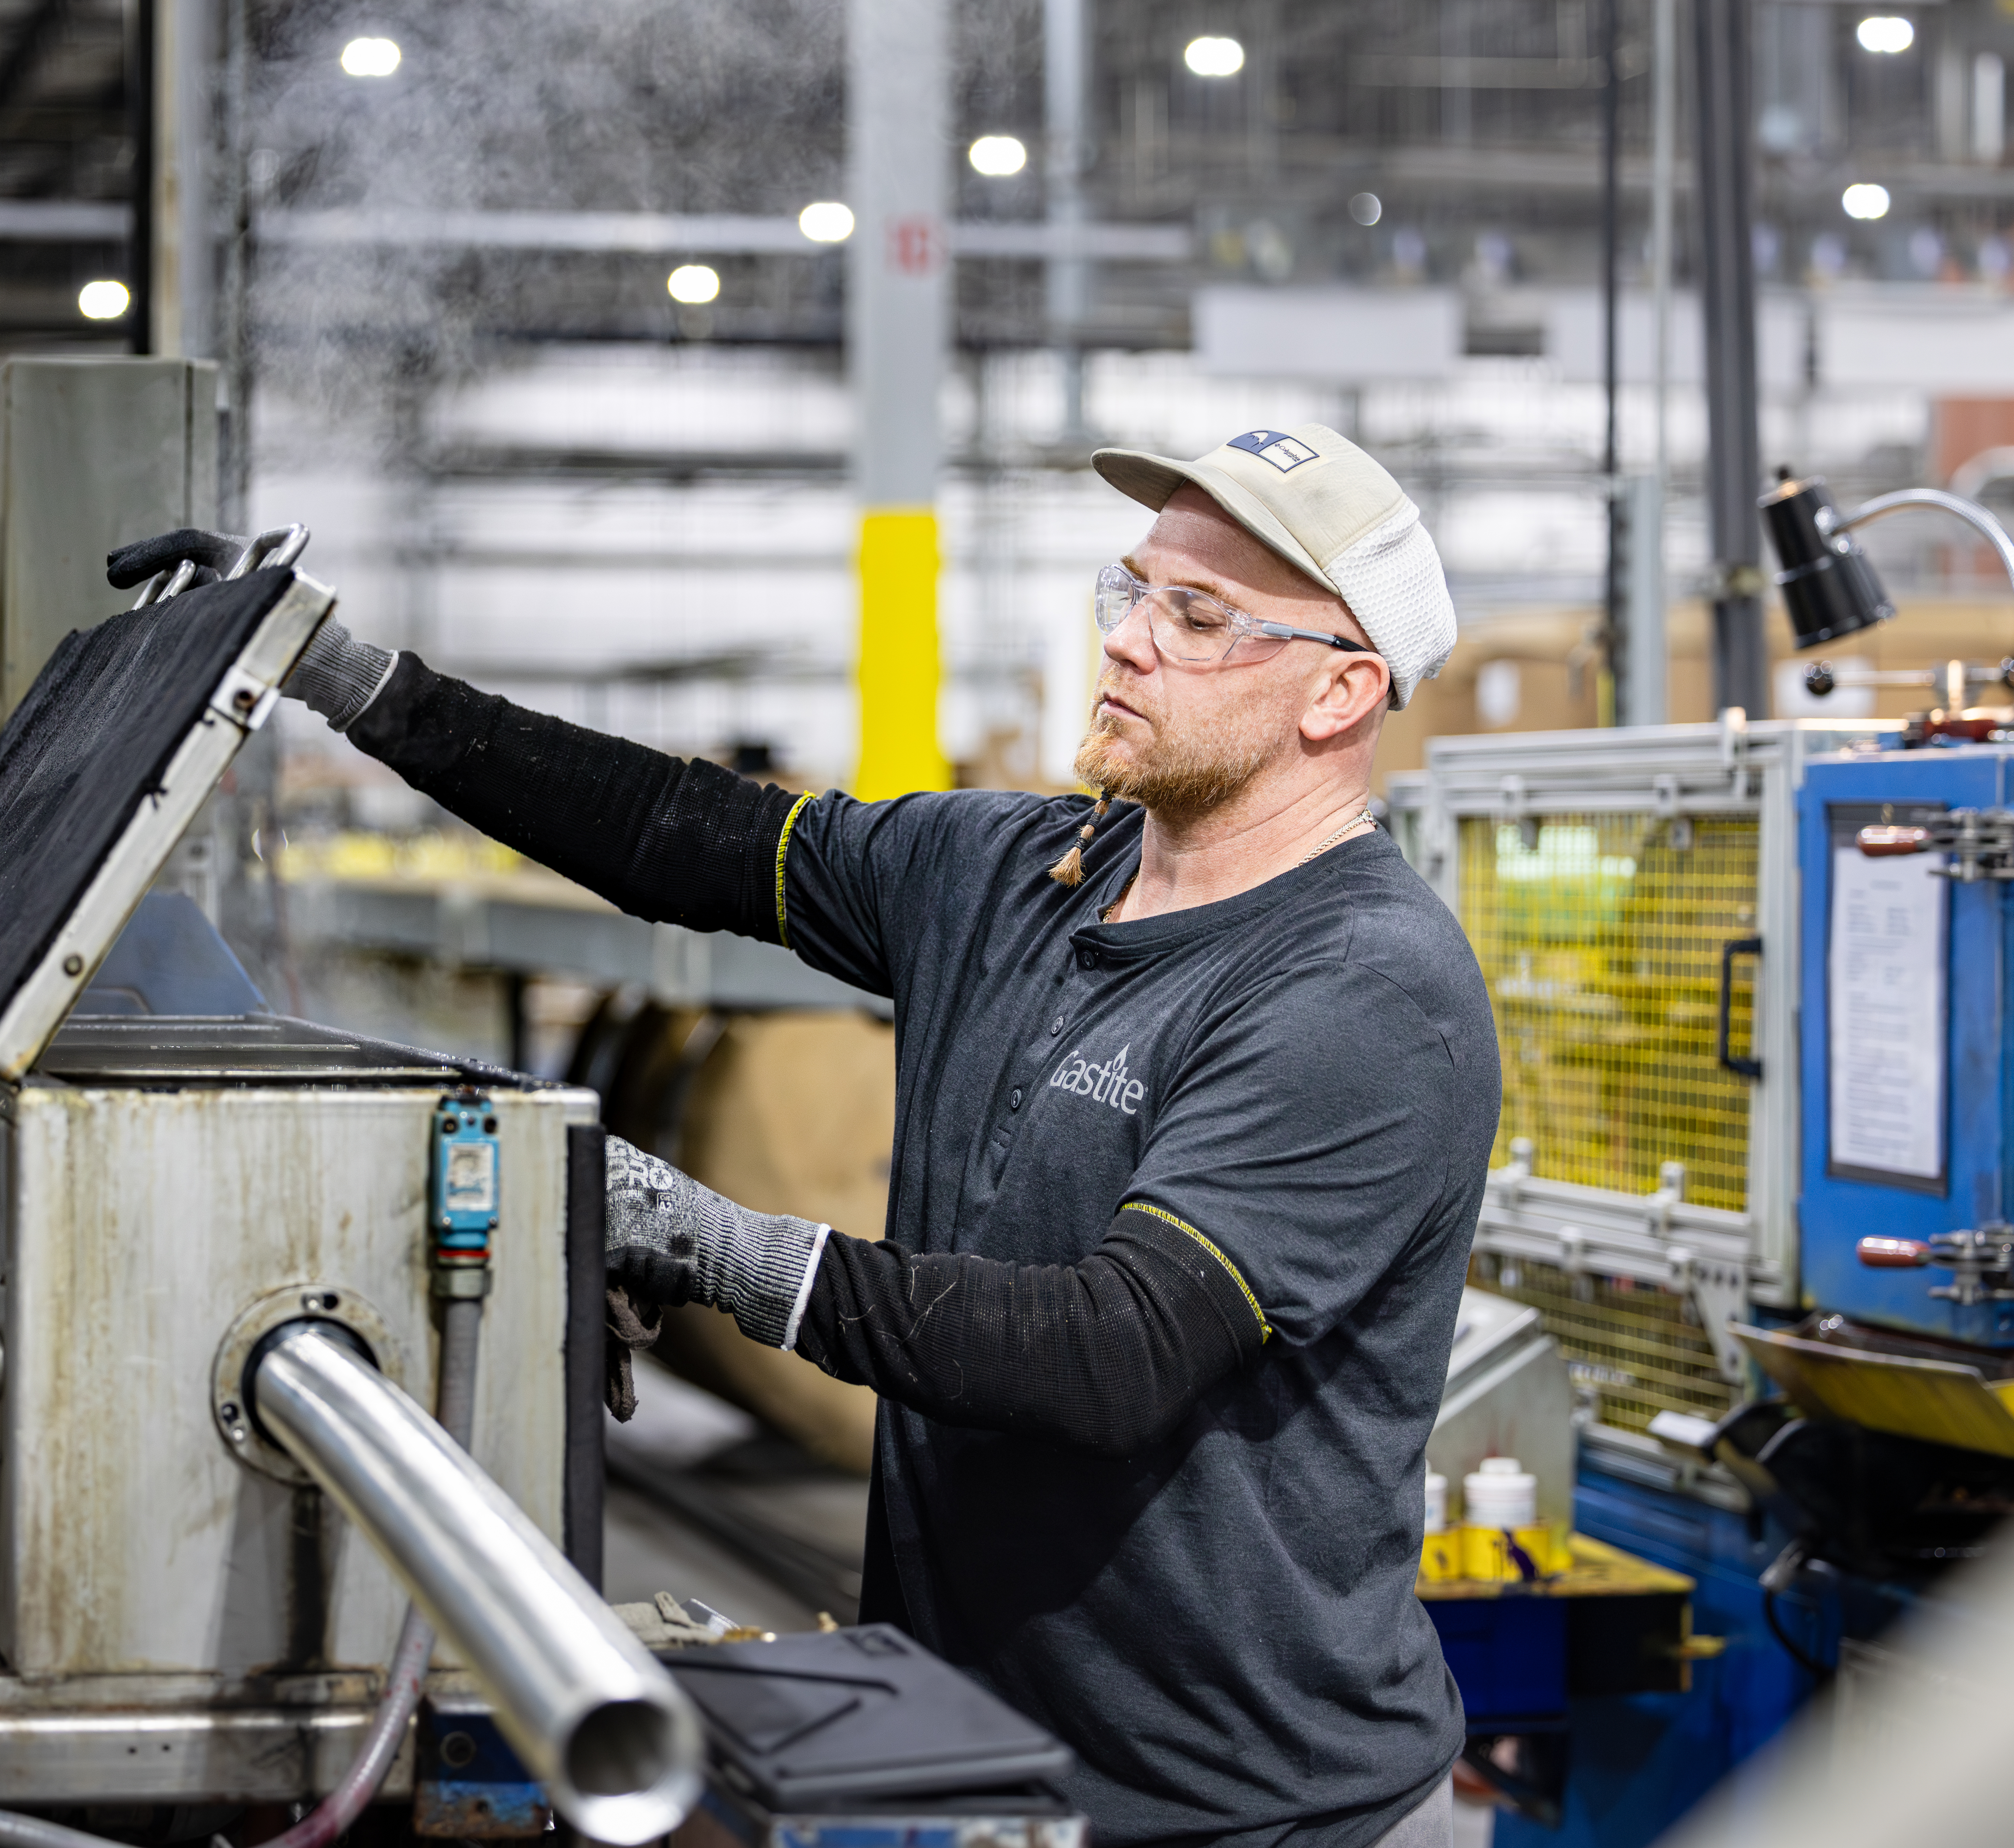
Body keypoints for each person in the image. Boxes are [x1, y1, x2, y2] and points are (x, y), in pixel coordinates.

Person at [277, 422, 1498, 1848]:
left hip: (1247, 1808)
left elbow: (1114, 1351)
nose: (1126, 640)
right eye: (1132, 591)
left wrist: (721, 1249)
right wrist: (350, 680)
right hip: (965, 1754)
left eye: (1199, 615)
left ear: (1341, 690)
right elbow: (681, 832)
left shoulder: (1363, 988)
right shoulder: (1015, 871)